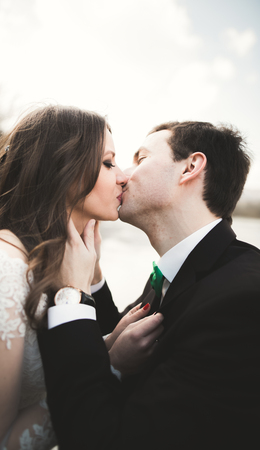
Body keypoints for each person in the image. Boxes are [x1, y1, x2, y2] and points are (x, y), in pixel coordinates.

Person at [38, 121, 260, 450]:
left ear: (191, 167)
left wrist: (73, 295)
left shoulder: (242, 302)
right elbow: (128, 340)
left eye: (141, 159)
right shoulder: (190, 267)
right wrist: (92, 273)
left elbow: (108, 441)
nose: (123, 175)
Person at [0, 104, 152, 450]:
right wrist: (111, 365)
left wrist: (107, 342)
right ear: (65, 171)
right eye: (108, 162)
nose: (123, 175)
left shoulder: (50, 259)